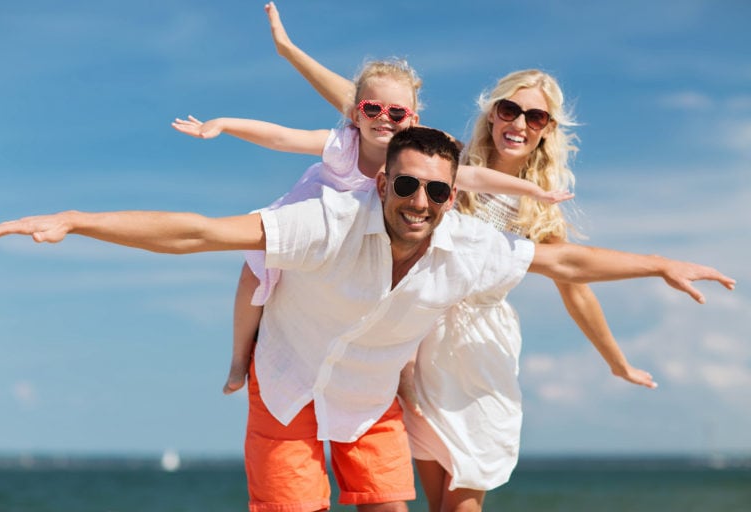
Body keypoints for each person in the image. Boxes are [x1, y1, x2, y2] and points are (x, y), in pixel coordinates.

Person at [0, 127, 736, 512]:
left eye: (436, 192)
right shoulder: (328, 223)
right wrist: (78, 220)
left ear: (451, 196)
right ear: (382, 181)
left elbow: (565, 263)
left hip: (368, 399)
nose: (420, 203)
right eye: (406, 184)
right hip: (286, 387)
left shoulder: (468, 246)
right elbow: (197, 233)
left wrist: (659, 263)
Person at [260, 4, 672, 509]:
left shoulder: (543, 210)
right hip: (419, 336)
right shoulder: (447, 165)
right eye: (509, 109)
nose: (518, 122)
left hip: (483, 352)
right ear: (493, 113)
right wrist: (290, 53)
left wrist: (618, 362)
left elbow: (575, 284)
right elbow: (371, 108)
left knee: (464, 497)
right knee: (420, 492)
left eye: (535, 116)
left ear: (547, 129)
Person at [171, 57, 572, 396]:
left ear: (411, 119)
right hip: (316, 221)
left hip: (365, 237)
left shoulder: (414, 155)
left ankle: (399, 380)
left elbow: (475, 178)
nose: (384, 119)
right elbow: (280, 138)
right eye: (373, 110)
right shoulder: (341, 142)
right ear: (355, 113)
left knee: (403, 296)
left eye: (396, 113)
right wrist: (222, 123)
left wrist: (532, 191)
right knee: (253, 274)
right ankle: (240, 359)